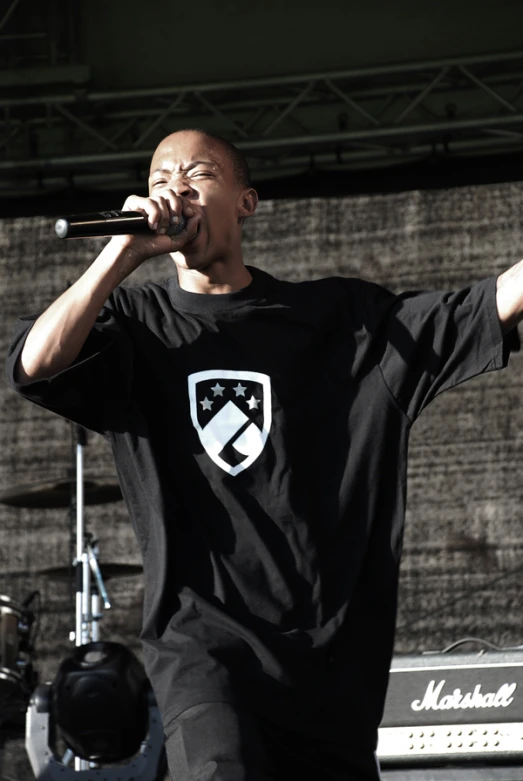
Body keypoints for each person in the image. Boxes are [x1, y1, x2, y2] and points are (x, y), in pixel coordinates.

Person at [5, 128, 523, 781]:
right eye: (162, 176)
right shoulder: (134, 328)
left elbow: (487, 304)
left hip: (330, 675)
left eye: (197, 173)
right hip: (205, 653)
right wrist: (119, 254)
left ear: (245, 201)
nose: (175, 187)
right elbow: (34, 364)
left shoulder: (342, 323)